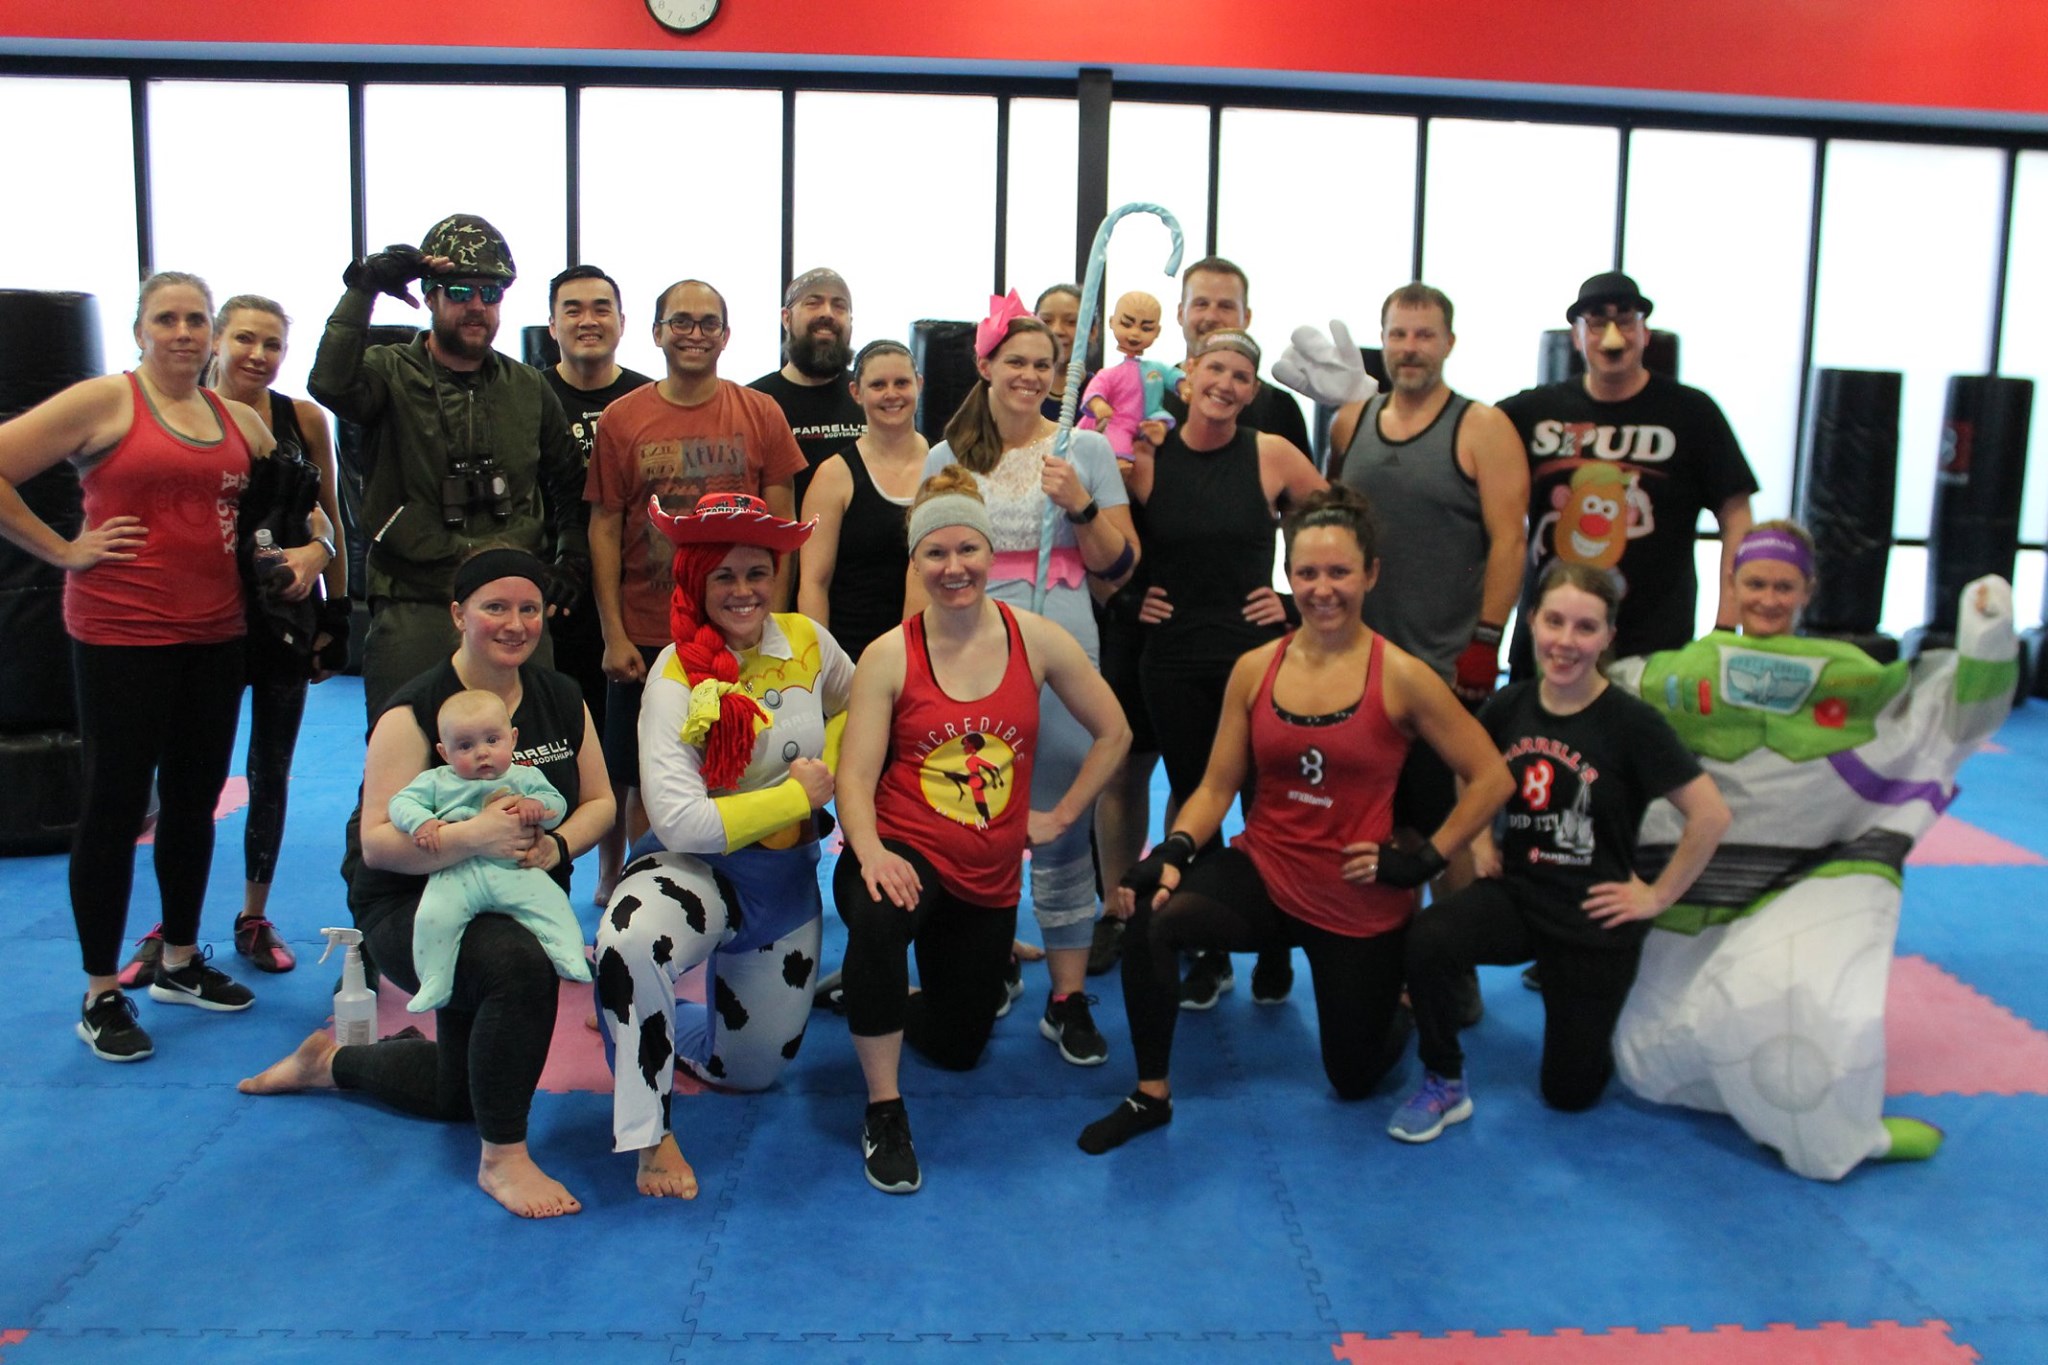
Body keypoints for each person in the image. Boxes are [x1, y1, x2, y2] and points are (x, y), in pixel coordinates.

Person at [1078, 486, 1512, 1154]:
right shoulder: (1257, 668)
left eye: (1339, 572)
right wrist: (1174, 851)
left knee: (1353, 1079)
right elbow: (1217, 784)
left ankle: (1398, 995)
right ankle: (1151, 1094)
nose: (1322, 589)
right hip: (1268, 871)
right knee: (1153, 915)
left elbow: (1492, 777)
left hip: (1356, 895)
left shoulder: (1403, 676)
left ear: (1371, 574)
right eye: (1306, 572)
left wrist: (1425, 860)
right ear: (1288, 575)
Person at [1611, 523, 2016, 1179]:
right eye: (1756, 583)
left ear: (1808, 590)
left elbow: (1948, 714)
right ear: (1732, 584)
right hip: (1700, 887)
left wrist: (1988, 636)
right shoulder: (1678, 674)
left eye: (1784, 586)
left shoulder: (1851, 680)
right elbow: (1596, 699)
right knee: (1647, 1055)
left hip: (1807, 878)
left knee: (1802, 1007)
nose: (1768, 599)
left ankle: (1848, 1134)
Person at [239, 549, 615, 1219]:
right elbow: (378, 843)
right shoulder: (414, 712)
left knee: (457, 1094)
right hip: (412, 901)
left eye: (528, 608)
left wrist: (556, 845)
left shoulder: (560, 695)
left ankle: (329, 1062)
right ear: (458, 614)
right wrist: (474, 837)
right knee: (518, 968)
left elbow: (601, 803)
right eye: (495, 607)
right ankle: (503, 1159)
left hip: (515, 892)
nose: (515, 623)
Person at [0, 272, 278, 1061]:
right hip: (121, 633)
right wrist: (64, 550)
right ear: (139, 330)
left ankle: (180, 959)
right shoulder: (106, 400)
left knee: (194, 800)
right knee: (116, 806)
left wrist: (307, 552)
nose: (183, 332)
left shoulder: (236, 417)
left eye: (196, 319)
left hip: (216, 632)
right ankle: (100, 990)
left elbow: (283, 507)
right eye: (167, 319)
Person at [835, 467, 1131, 1193]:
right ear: (915, 563)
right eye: (935, 553)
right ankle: (883, 1109)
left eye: (967, 549)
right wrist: (870, 853)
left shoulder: (1038, 638)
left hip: (989, 872)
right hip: (904, 846)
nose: (954, 567)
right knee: (879, 917)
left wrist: (1062, 815)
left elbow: (1115, 731)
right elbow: (854, 777)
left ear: (990, 551)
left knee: (960, 1046)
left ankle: (879, 992)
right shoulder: (888, 654)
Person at [1388, 561, 1731, 1143]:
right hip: (1519, 895)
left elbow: (1711, 814)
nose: (1565, 642)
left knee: (1569, 1093)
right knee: (1429, 937)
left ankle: (1605, 1016)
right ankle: (1443, 1079)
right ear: (1532, 623)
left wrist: (1655, 897)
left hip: (1592, 914)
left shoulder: (1632, 723)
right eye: (1554, 622)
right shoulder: (1509, 706)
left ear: (1608, 636)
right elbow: (1469, 773)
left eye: (1585, 627)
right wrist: (1480, 840)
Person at [593, 492, 853, 1200]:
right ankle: (648, 1134)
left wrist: (825, 769)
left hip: (783, 881)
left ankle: (629, 1011)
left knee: (752, 1073)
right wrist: (798, 797)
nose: (744, 591)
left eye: (757, 572)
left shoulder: (807, 640)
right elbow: (681, 821)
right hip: (692, 871)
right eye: (724, 576)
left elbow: (855, 705)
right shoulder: (674, 676)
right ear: (695, 581)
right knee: (631, 941)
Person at [915, 295, 1140, 1064]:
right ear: (985, 366)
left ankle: (1067, 997)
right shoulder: (946, 458)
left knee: (1063, 820)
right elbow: (924, 569)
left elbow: (1121, 566)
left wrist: (1080, 506)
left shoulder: (1085, 451)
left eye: (1045, 364)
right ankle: (988, 959)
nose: (1032, 375)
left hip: (1065, 647)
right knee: (970, 809)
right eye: (1017, 361)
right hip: (967, 650)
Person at [1325, 283, 1530, 1024]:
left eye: (1423, 335)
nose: (1410, 348)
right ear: (1383, 340)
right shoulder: (1353, 421)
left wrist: (1487, 639)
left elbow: (1510, 540)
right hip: (1362, 660)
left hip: (1444, 664)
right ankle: (1392, 960)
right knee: (1382, 822)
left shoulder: (1481, 427)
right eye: (1398, 334)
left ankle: (1455, 969)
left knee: (1451, 826)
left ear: (1448, 342)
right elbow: (1329, 521)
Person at [586, 278, 806, 927]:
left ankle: (737, 895)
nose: (695, 333)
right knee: (646, 778)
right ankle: (651, 895)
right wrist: (614, 632)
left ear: (727, 336)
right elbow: (604, 526)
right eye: (680, 321)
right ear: (656, 332)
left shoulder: (760, 412)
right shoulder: (622, 418)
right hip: (650, 631)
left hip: (739, 632)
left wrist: (774, 626)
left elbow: (783, 527)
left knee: (742, 769)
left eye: (709, 323)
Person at [309, 213, 587, 723]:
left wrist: (570, 559)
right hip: (417, 600)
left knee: (529, 752)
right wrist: (363, 289)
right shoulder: (389, 372)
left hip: (511, 603)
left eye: (490, 292)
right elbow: (328, 384)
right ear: (430, 296)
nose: (477, 305)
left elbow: (570, 482)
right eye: (460, 290)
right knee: (404, 750)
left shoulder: (528, 387)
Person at [1128, 328, 1325, 1008]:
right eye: (1216, 368)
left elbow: (1342, 529)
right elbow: (1106, 535)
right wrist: (1130, 595)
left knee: (1267, 804)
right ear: (1188, 373)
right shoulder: (1148, 453)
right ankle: (1211, 949)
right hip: (1174, 658)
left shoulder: (1271, 453)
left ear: (1252, 390)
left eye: (1241, 375)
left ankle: (1274, 944)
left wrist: (1294, 601)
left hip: (1256, 656)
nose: (1226, 384)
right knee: (1196, 803)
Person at [1498, 271, 1758, 677]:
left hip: (1653, 648)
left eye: (1625, 321)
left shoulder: (1692, 413)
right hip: (1550, 642)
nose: (1612, 337)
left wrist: (1727, 626)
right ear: (1576, 337)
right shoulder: (1530, 413)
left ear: (1645, 334)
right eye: (1596, 323)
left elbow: (1737, 516)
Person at [195, 294, 349, 978]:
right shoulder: (187, 413)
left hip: (284, 617)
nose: (258, 355)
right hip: (202, 618)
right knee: (195, 775)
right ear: (218, 341)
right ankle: (173, 924)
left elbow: (330, 515)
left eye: (273, 344)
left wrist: (336, 615)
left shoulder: (302, 418)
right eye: (245, 340)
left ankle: (254, 914)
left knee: (270, 770)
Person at [538, 264, 654, 903]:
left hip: (623, 596)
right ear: (552, 323)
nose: (588, 320)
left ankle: (614, 870)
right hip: (547, 601)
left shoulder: (645, 399)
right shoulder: (529, 396)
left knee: (622, 749)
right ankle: (543, 868)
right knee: (548, 739)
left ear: (622, 321)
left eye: (601, 308)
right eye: (574, 309)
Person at [388, 688, 590, 1012]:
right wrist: (420, 821)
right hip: (456, 872)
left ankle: (568, 954)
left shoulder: (525, 776)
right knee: (433, 918)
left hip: (513, 869)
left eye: (492, 741)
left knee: (552, 903)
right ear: (444, 752)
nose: (482, 753)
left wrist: (537, 805)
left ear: (512, 739)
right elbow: (400, 802)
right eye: (465, 746)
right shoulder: (437, 781)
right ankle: (434, 980)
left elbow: (557, 804)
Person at [799, 339, 927, 662]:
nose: (891, 394)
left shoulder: (944, 465)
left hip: (929, 653)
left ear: (919, 384)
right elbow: (813, 583)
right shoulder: (833, 476)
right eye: (878, 385)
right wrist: (824, 666)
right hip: (853, 654)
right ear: (856, 392)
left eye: (901, 383)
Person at [749, 267, 866, 504]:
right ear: (786, 318)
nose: (827, 313)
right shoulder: (754, 402)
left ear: (851, 322)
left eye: (839, 306)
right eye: (813, 303)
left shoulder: (870, 397)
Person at [1034, 283, 1090, 422]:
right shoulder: (1020, 389)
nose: (1057, 330)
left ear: (1092, 331)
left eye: (1071, 322)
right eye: (1047, 321)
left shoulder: (1103, 393)